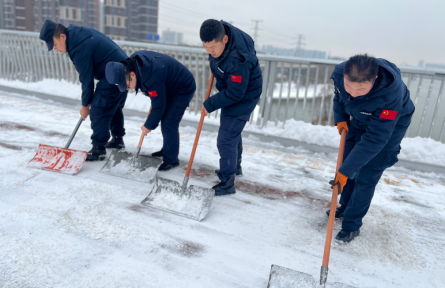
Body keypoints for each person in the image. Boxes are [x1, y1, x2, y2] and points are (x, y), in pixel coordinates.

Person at [329, 54, 415, 242]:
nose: (352, 92)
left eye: (360, 88)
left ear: (374, 79)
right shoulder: (339, 73)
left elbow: (376, 138)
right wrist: (341, 117)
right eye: (349, 85)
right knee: (349, 160)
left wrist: (346, 171)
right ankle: (344, 206)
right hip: (360, 116)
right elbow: (339, 96)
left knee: (366, 175)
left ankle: (351, 225)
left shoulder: (391, 95)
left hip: (388, 127)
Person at [39, 19, 128, 161]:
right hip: (123, 69)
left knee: (99, 108)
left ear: (62, 36)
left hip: (114, 73)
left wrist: (85, 105)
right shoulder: (76, 35)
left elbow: (86, 79)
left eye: (55, 45)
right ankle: (117, 139)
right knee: (111, 105)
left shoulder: (78, 46)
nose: (56, 49)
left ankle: (98, 149)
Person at [199, 19, 262, 196]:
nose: (210, 52)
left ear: (225, 40)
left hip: (244, 95)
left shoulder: (237, 60)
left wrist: (210, 104)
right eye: (206, 48)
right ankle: (235, 167)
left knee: (226, 138)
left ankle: (227, 182)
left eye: (213, 48)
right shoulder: (220, 30)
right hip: (232, 89)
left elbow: (236, 94)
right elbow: (218, 58)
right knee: (231, 131)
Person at [105, 51, 196, 171]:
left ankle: (171, 160)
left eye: (127, 85)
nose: (128, 89)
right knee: (166, 120)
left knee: (169, 123)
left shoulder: (151, 77)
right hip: (166, 85)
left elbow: (159, 106)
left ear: (132, 74)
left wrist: (148, 125)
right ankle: (167, 149)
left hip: (182, 88)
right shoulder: (133, 65)